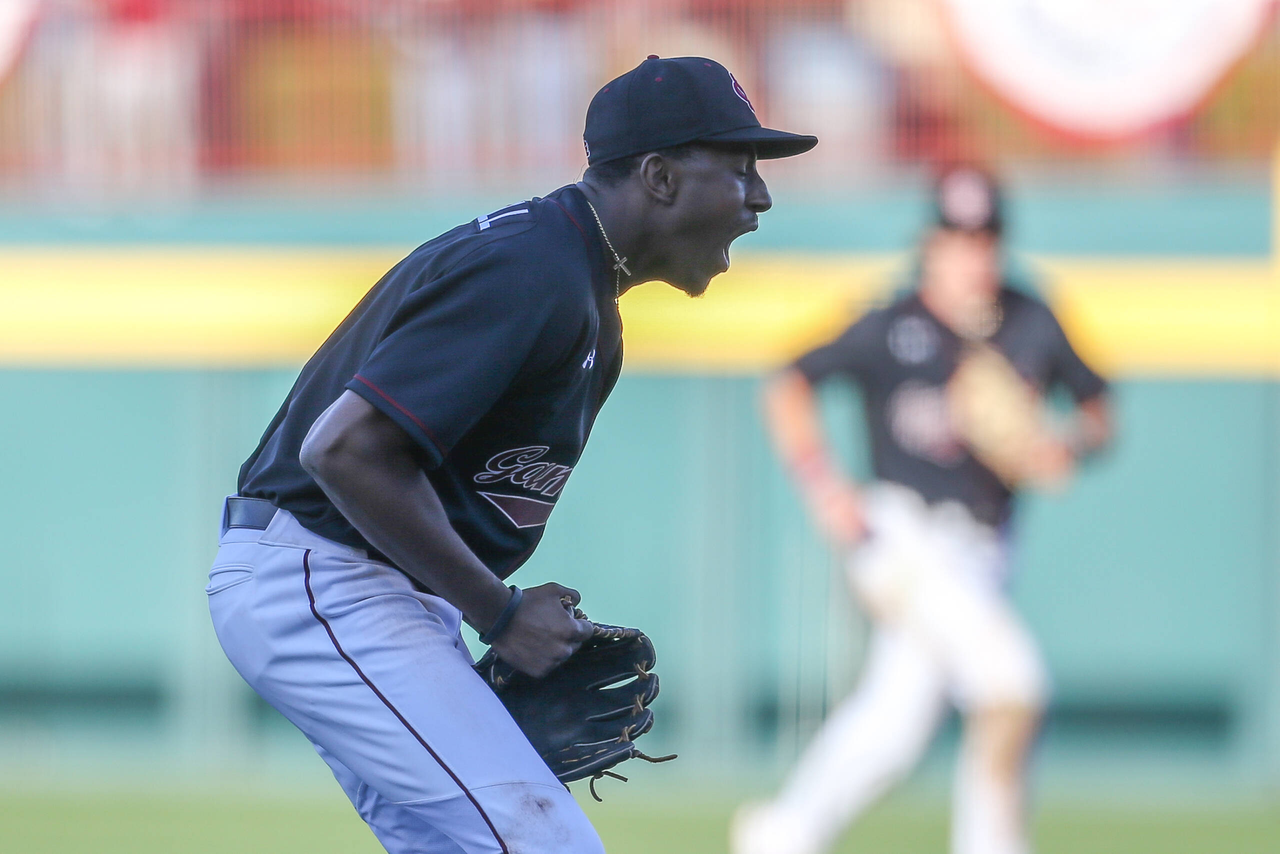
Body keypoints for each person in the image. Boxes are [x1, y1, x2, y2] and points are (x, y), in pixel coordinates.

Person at [204, 55, 814, 854]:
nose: (760, 195)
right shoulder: (534, 270)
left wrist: (500, 606)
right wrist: (498, 611)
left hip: (364, 585)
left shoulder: (580, 287)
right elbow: (346, 450)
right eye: (739, 168)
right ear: (660, 177)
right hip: (324, 576)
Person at [732, 165, 1112, 854]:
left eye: (984, 235)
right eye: (958, 235)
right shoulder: (891, 323)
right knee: (1011, 687)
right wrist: (825, 487)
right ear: (931, 243)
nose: (972, 250)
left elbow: (1099, 411)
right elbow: (788, 384)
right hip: (901, 538)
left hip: (985, 548)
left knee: (895, 725)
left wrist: (1068, 446)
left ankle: (779, 835)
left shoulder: (1030, 319)